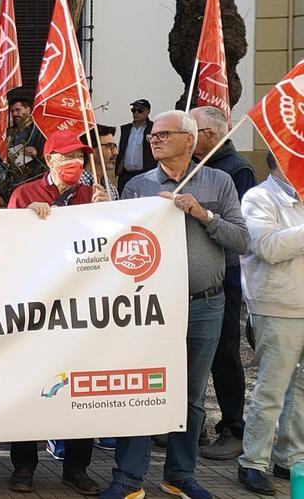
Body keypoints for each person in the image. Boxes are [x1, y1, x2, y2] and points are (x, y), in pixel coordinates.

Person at [101, 110, 249, 499]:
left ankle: (179, 475)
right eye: (152, 135)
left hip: (203, 304)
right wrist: (102, 210)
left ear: (190, 139)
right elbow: (115, 240)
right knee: (140, 388)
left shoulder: (219, 182)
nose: (154, 139)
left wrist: (203, 214)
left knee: (191, 395)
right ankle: (128, 478)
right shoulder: (137, 186)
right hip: (149, 308)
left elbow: (242, 240)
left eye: (164, 134)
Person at [6, 130, 106, 496]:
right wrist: (28, 219)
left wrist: (106, 211)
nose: (75, 164)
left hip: (79, 308)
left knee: (78, 387)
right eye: (67, 157)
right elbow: (9, 247)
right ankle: (24, 467)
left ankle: (76, 468)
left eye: (80, 157)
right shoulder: (25, 195)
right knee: (32, 387)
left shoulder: (90, 195)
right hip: (35, 309)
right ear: (50, 160)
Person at [190, 106, 257, 463]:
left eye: (193, 130)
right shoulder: (191, 168)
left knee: (225, 355)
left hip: (224, 280)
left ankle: (232, 427)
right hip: (187, 279)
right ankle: (190, 425)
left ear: (212, 136)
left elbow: (240, 230)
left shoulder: (236, 170)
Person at [236, 153, 304, 495]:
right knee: (271, 390)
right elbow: (268, 247)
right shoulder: (259, 197)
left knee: (302, 391)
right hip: (277, 307)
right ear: (282, 160)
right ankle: (252, 462)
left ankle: (289, 457)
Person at [115, 99, 155, 194]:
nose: (136, 113)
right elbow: (122, 150)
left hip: (145, 173)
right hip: (126, 174)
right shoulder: (126, 129)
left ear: (148, 111)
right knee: (122, 201)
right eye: (134, 110)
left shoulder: (153, 128)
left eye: (140, 110)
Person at [7, 96, 46, 170]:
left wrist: (36, 153)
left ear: (28, 109)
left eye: (18, 110)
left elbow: (49, 151)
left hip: (35, 173)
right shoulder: (11, 132)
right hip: (15, 175)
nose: (14, 114)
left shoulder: (39, 128)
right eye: (12, 111)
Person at [81, 125, 118, 200]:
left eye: (115, 146)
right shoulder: (77, 184)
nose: (115, 152)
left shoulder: (111, 188)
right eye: (109, 146)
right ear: (91, 149)